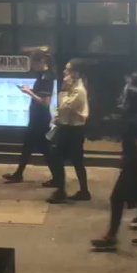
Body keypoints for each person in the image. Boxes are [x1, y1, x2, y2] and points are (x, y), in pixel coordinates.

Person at [92, 73, 137, 251]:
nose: (121, 99)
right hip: (136, 165)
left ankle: (111, 236)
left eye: (124, 96)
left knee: (116, 198)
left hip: (135, 168)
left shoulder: (134, 121)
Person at [3, 49, 55, 184]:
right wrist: (30, 90)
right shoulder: (41, 75)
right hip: (36, 118)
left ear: (41, 62)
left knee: (45, 149)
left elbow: (45, 102)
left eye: (33, 63)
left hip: (41, 119)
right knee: (28, 146)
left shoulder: (47, 77)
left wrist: (29, 93)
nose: (32, 66)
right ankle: (18, 174)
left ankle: (57, 178)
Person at [46, 58, 91, 204]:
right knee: (72, 160)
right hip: (68, 129)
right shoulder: (75, 88)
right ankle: (80, 191)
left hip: (72, 131)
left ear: (76, 73)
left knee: (59, 158)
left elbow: (64, 107)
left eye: (68, 69)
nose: (65, 72)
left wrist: (64, 90)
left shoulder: (78, 90)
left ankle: (63, 191)